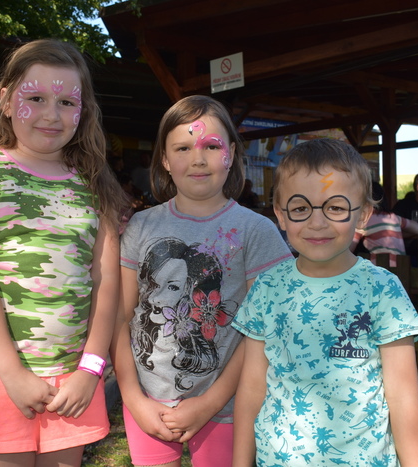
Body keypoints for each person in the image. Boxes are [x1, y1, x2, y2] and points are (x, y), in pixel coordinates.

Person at [0, 39, 126, 467]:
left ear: (83, 111)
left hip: (72, 383)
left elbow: (106, 283)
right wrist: (13, 374)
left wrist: (90, 370)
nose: (51, 114)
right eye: (36, 98)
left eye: (66, 102)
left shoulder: (95, 184)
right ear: (5, 100)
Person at [111, 95, 293, 467]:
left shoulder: (256, 231)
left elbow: (263, 331)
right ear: (164, 159)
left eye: (211, 146)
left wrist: (209, 403)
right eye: (183, 148)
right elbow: (120, 317)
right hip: (147, 406)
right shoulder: (141, 226)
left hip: (227, 407)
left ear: (232, 154)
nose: (198, 159)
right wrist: (132, 398)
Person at [232, 138, 418, 466]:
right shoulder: (267, 287)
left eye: (335, 208)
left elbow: (404, 398)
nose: (317, 222)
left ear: (363, 214)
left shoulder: (382, 290)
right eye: (300, 208)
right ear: (281, 215)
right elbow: (251, 389)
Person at [352, 181, 418, 267]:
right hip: (401, 268)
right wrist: (396, 233)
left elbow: (348, 250)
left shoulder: (364, 221)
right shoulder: (393, 217)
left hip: (380, 270)